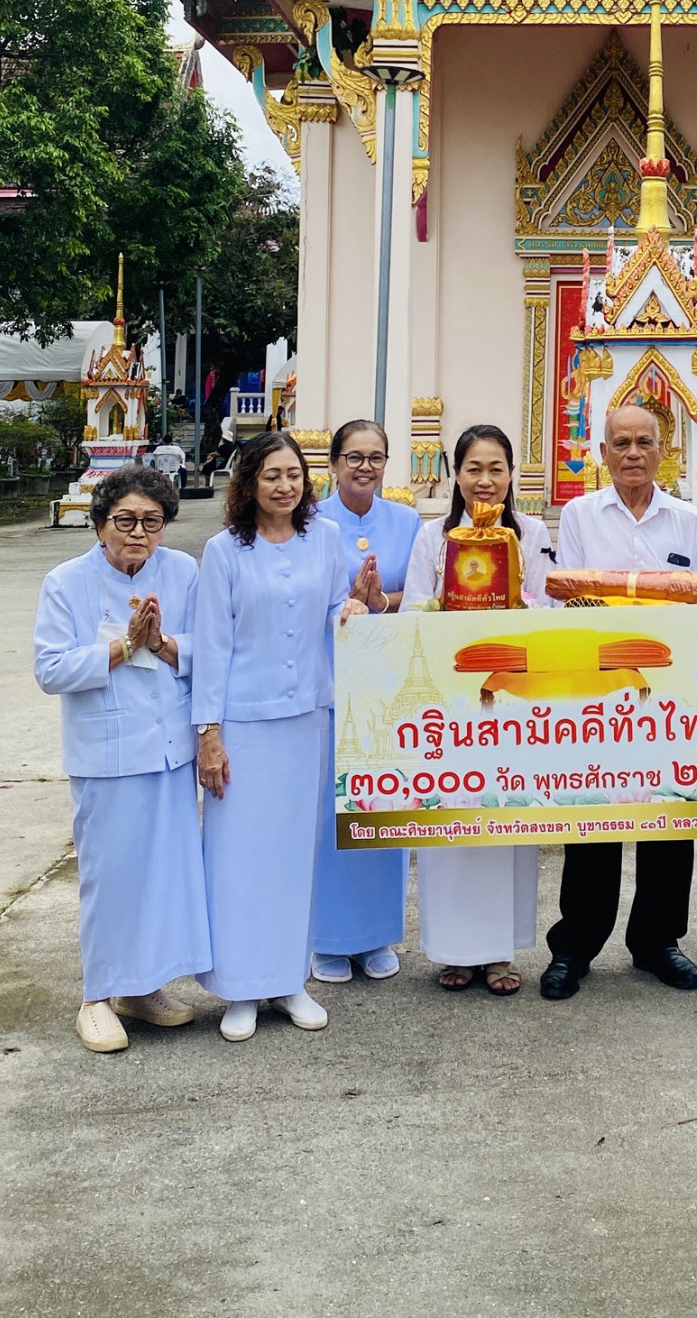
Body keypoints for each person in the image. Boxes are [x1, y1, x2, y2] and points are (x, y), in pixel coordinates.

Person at [539, 403, 697, 1000]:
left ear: (664, 450)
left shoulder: (688, 521)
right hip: (598, 691)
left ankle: (658, 940)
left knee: (669, 817)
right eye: (621, 443)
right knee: (593, 819)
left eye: (644, 442)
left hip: (669, 694)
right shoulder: (580, 515)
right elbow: (568, 600)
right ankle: (575, 945)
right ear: (602, 453)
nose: (633, 453)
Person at [191, 431, 382, 1042]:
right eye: (271, 475)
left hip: (306, 719)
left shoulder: (323, 537)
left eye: (293, 475)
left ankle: (287, 981)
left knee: (295, 856)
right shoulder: (224, 551)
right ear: (248, 483)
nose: (284, 486)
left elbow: (332, 607)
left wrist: (351, 610)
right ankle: (240, 988)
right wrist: (208, 734)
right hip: (243, 724)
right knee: (240, 858)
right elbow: (212, 645)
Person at [33, 464, 209, 1054]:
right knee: (110, 879)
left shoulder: (182, 572)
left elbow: (210, 649)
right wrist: (123, 646)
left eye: (152, 522)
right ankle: (97, 997)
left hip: (169, 750)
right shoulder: (66, 582)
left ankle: (143, 987)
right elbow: (50, 668)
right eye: (125, 521)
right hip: (106, 752)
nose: (138, 534)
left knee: (163, 875)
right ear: (99, 523)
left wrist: (162, 643)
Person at [402, 424, 552, 996]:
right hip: (450, 697)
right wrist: (446, 612)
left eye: (496, 469)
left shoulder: (530, 532)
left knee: (504, 817)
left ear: (512, 475)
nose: (485, 481)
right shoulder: (433, 536)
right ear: (456, 476)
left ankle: (498, 951)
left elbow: (545, 604)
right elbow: (414, 606)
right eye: (473, 469)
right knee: (453, 815)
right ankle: (453, 950)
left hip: (511, 696)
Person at [310, 418, 421, 984]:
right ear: (333, 464)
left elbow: (422, 593)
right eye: (354, 457)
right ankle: (327, 938)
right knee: (330, 812)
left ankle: (377, 933)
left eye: (375, 457)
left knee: (382, 806)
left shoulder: (407, 521)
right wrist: (345, 604)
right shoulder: (309, 522)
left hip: (386, 681)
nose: (365, 467)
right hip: (328, 678)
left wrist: (381, 600)